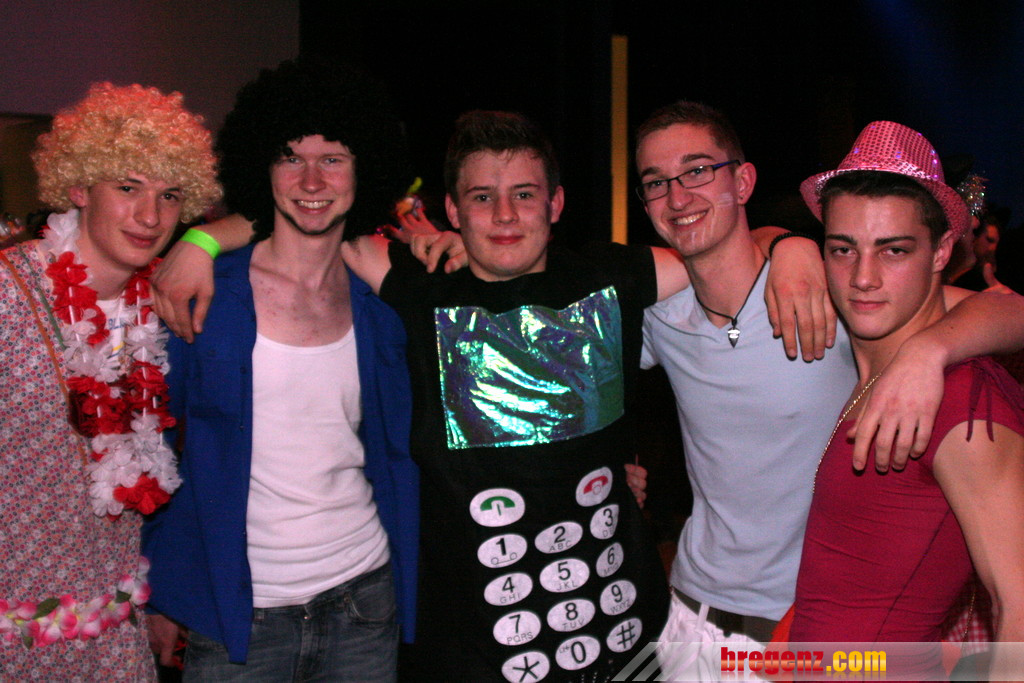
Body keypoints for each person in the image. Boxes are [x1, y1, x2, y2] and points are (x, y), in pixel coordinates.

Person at [149, 107, 833, 681]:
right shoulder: (418, 288)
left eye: (525, 194)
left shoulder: (613, 277)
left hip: (623, 636)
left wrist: (791, 245)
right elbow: (311, 213)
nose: (504, 215)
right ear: (453, 209)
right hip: (475, 650)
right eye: (481, 197)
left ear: (556, 203)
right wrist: (203, 238)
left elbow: (718, 247)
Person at [632, 102, 1024, 679]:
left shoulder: (853, 313)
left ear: (743, 181)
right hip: (704, 623)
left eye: (697, 171)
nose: (864, 275)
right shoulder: (664, 313)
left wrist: (930, 351)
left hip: (808, 643)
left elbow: (1012, 312)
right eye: (656, 182)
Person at [140, 58, 419, 681]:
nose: (312, 179)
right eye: (290, 157)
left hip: (366, 603)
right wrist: (160, 583)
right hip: (238, 618)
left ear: (364, 169)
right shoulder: (206, 294)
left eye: (334, 158)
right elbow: (151, 447)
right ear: (262, 167)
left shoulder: (385, 301)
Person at [788, 120, 1024, 679]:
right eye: (843, 249)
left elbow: (1018, 604)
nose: (863, 278)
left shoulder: (964, 401)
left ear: (941, 251)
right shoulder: (890, 372)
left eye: (893, 250)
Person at [0, 82, 219, 680]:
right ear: (78, 187)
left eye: (170, 195)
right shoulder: (9, 295)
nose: (151, 216)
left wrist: (209, 238)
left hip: (114, 636)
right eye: (128, 187)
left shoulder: (164, 306)